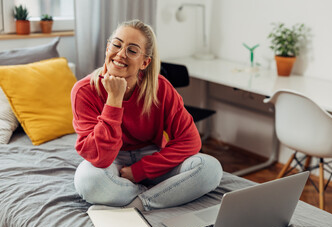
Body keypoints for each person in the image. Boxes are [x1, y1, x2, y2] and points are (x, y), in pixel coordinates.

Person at [71, 19, 223, 211]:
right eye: (116, 45)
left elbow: (190, 141)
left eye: (132, 50)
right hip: (112, 160)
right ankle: (161, 194)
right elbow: (100, 158)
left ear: (145, 62)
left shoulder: (160, 88)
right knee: (88, 182)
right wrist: (114, 100)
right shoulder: (84, 90)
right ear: (107, 48)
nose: (120, 54)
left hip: (151, 155)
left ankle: (139, 204)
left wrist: (138, 171)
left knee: (210, 169)